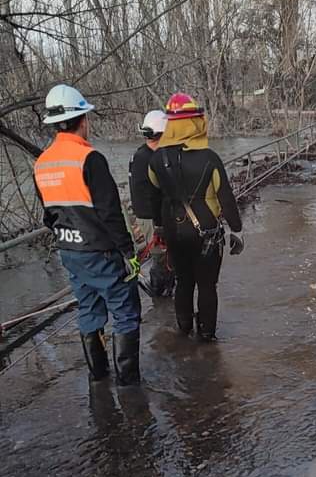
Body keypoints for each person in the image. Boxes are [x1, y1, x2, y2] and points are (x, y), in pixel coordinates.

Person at [33, 84, 141, 385]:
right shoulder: (89, 158)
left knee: (89, 312)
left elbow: (48, 215)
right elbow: (110, 213)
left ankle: (98, 379)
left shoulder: (41, 164)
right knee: (125, 311)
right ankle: (129, 385)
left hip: (71, 254)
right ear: (83, 120)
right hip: (102, 252)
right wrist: (128, 253)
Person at [149, 93, 244, 341]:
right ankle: (207, 337)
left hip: (173, 231)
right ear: (195, 122)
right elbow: (225, 197)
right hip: (206, 234)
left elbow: (154, 191)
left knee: (183, 281)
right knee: (206, 285)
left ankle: (183, 331)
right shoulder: (210, 158)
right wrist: (237, 230)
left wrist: (158, 226)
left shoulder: (157, 159)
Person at [129, 110, 167, 245]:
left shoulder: (141, 154)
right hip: (151, 219)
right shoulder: (150, 158)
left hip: (146, 216)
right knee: (159, 255)